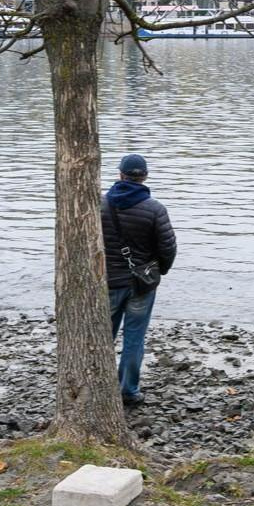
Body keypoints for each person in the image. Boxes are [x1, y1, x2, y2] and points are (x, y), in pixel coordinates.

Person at [101, 153, 177, 406]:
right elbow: (167, 248)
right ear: (144, 176)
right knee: (134, 338)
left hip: (108, 282)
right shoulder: (154, 209)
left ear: (120, 174)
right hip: (141, 284)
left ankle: (97, 385)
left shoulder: (100, 205)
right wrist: (159, 272)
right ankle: (128, 391)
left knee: (102, 337)